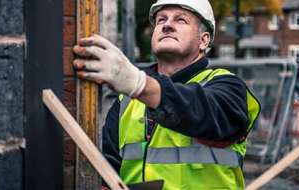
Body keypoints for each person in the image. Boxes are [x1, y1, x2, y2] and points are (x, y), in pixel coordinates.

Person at [73, 0, 260, 189]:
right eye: (161, 20)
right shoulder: (126, 102)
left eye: (180, 20)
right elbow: (106, 170)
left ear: (203, 40)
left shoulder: (228, 87)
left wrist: (140, 84)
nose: (167, 25)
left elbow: (200, 111)